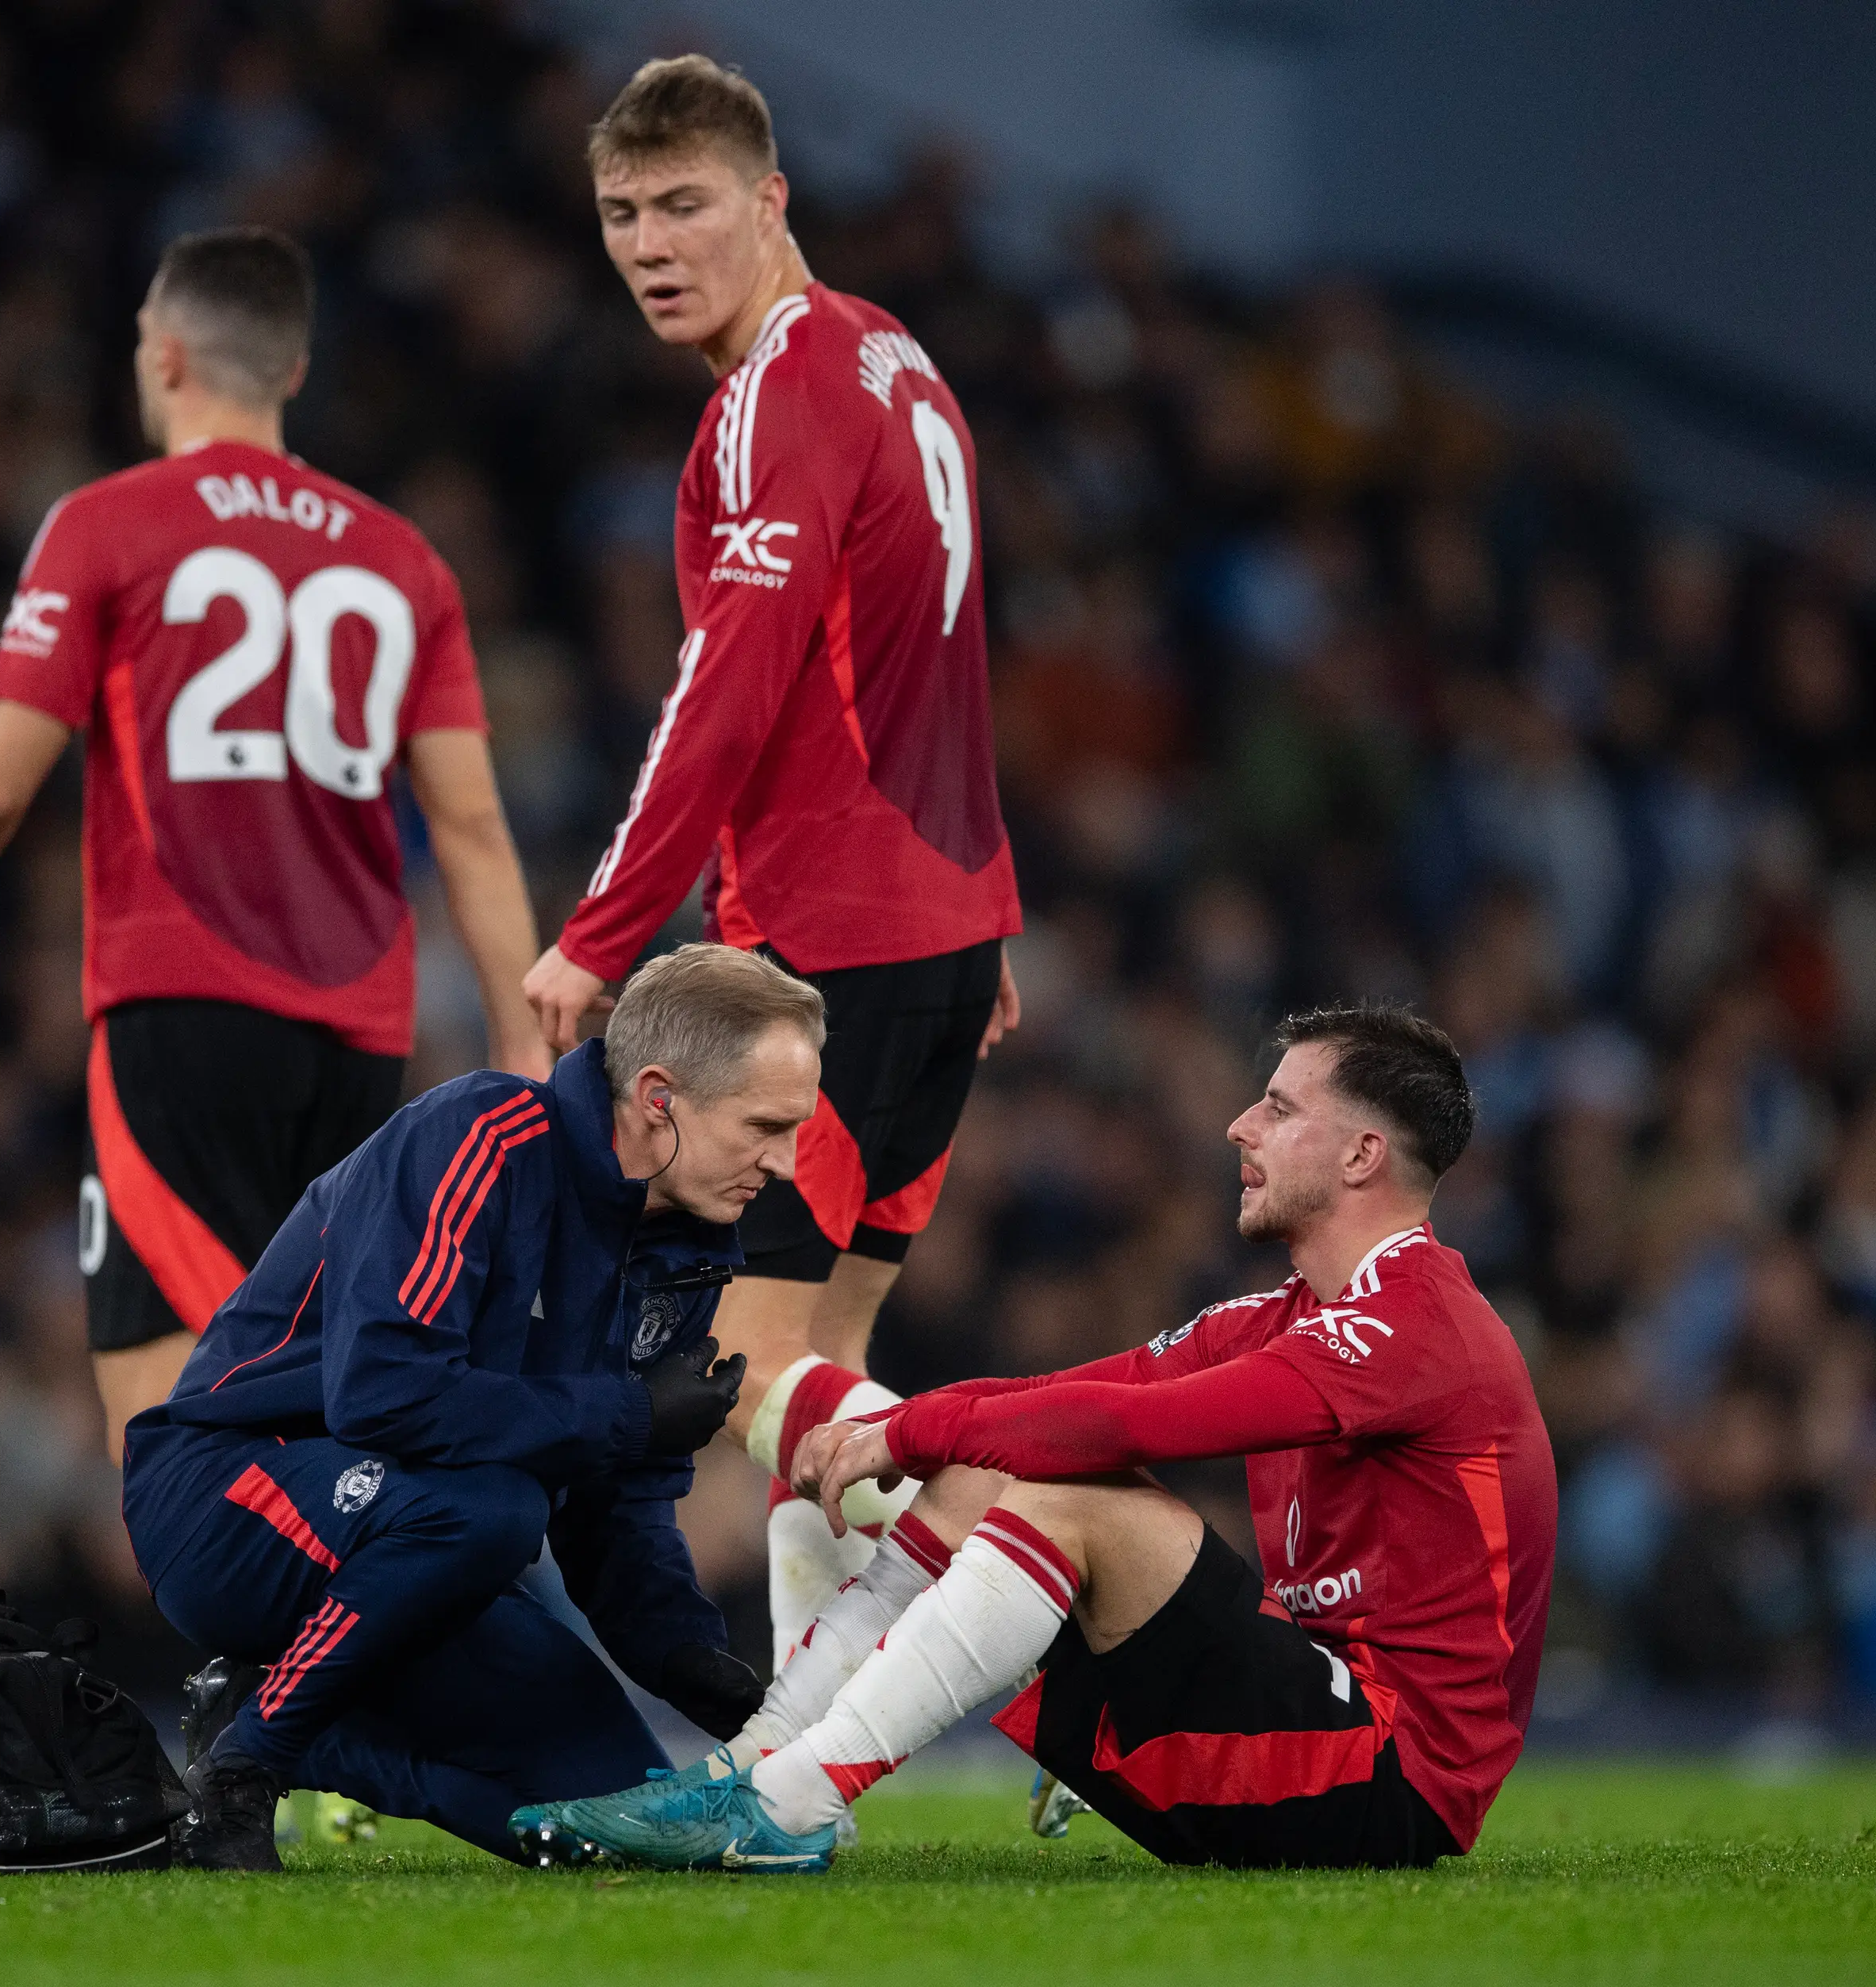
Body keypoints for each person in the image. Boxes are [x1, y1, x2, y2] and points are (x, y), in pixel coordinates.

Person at [511, 1003, 1556, 1874]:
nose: (1240, 1125)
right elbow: (1084, 1390)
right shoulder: (1290, 1317)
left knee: (1069, 1485)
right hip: (1303, 1721)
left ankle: (787, 1805)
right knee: (1009, 1452)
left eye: (1279, 1108)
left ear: (1364, 1153)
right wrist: (934, 1435)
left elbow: (1126, 1423)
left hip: (1390, 1781)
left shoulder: (1414, 1325)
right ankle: (762, 1766)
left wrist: (906, 1431)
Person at [0, 227, 554, 1460]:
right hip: (356, 1038)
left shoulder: (109, 525)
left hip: (183, 1011)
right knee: (324, 1391)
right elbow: (474, 827)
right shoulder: (401, 559)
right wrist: (521, 1047)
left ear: (164, 357)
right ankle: (333, 1646)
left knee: (167, 1421)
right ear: (295, 366)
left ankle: (270, 1652)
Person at [523, 56, 1024, 1655]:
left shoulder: (777, 398)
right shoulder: (893, 358)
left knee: (746, 1364)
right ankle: (807, 1729)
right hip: (934, 931)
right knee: (833, 1359)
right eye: (621, 214)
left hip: (839, 937)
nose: (652, 244)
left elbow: (726, 684)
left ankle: (1078, 1603)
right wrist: (984, 906)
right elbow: (936, 648)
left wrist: (601, 932)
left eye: (685, 205)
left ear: (770, 200)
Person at [125, 945, 823, 1870]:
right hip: (226, 1490)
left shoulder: (689, 1249)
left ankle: (281, 1721)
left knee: (622, 1831)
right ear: (660, 1098)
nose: (786, 1161)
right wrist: (624, 1414)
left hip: (425, 1557)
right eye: (766, 1126)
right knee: (492, 1509)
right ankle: (246, 1770)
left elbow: (620, 1500)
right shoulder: (477, 1138)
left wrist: (691, 1660)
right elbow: (383, 1395)